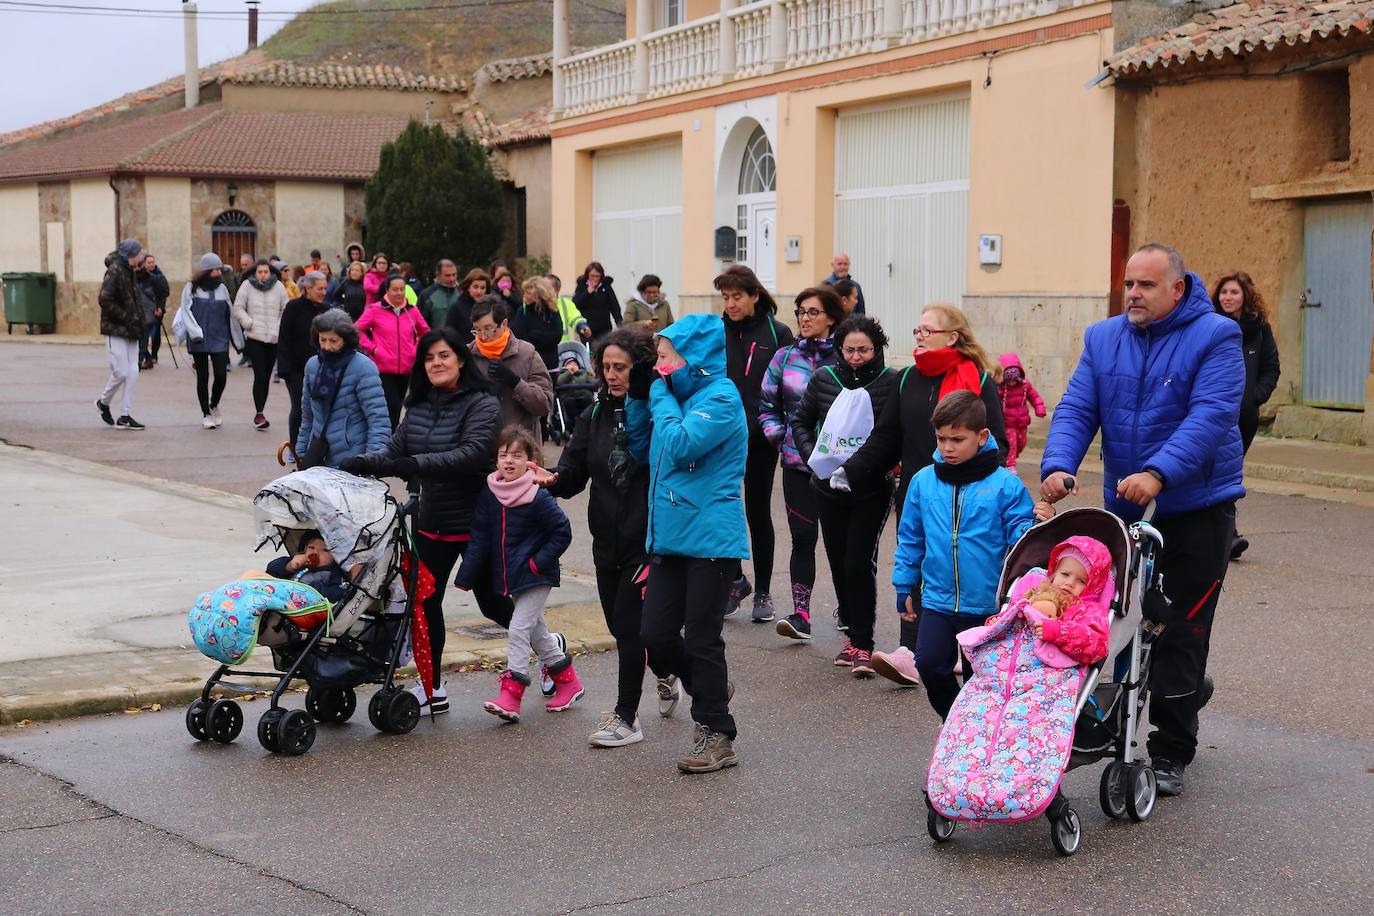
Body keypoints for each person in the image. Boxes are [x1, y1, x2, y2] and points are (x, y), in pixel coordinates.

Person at [1040, 242, 1244, 797]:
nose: (1133, 293)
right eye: (1129, 283)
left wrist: (1159, 472)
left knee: (1181, 628)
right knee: (1124, 623)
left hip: (1196, 508)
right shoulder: (1103, 338)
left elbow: (1211, 416)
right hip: (1128, 509)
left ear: (1177, 289)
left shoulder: (1217, 336)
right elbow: (1079, 406)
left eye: (1146, 285)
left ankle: (1173, 748)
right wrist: (1059, 463)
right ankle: (1130, 719)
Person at [340, 327, 506, 715]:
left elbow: (471, 454)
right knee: (424, 603)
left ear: (460, 360)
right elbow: (396, 449)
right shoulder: (418, 406)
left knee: (494, 603)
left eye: (444, 355)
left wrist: (416, 465)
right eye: (429, 358)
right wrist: (362, 463)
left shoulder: (483, 404)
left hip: (477, 520)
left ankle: (550, 653)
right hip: (432, 521)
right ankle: (431, 686)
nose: (436, 363)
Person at [842, 303, 1007, 678]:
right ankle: (911, 650)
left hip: (972, 497)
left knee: (962, 568)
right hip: (920, 492)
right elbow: (886, 437)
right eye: (916, 330)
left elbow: (997, 439)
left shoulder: (977, 378)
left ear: (952, 337)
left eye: (926, 330)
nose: (918, 336)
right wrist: (850, 470)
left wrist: (983, 483)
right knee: (916, 561)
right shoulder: (907, 379)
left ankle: (968, 647)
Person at [538, 326, 680, 747]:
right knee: (625, 630)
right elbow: (573, 472)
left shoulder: (656, 410)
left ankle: (626, 717)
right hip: (606, 540)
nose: (613, 374)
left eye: (622, 367)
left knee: (629, 630)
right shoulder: (594, 412)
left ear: (640, 369)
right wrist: (551, 479)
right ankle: (681, 672)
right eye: (606, 367)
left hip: (647, 541)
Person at [626, 313, 748, 774]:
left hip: (712, 539)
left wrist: (656, 393)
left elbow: (680, 446)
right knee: (654, 635)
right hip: (670, 538)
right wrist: (639, 399)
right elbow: (645, 450)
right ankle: (709, 686)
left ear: (691, 358)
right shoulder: (671, 398)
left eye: (663, 357)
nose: (657, 366)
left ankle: (717, 734)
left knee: (701, 638)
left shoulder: (721, 397)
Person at [893, 391, 1043, 719]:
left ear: (982, 436)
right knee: (930, 665)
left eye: (958, 439)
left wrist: (1034, 524)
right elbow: (911, 538)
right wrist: (905, 583)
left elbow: (1022, 543)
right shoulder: (922, 482)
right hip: (937, 600)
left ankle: (978, 738)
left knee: (984, 682)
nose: (948, 447)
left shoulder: (1005, 485)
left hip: (988, 605)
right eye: (941, 439)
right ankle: (956, 723)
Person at [791, 315, 897, 674]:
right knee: (838, 561)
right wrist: (812, 457)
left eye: (864, 350)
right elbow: (801, 421)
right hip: (827, 486)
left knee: (858, 561)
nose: (856, 357)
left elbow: (892, 435)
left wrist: (869, 467)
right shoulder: (824, 379)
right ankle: (852, 632)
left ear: (877, 349)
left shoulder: (890, 382)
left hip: (870, 488)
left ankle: (863, 643)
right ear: (838, 349)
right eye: (849, 350)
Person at [457, 426, 582, 722]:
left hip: (537, 575)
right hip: (511, 575)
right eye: (503, 455)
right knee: (537, 632)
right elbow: (480, 536)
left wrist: (538, 563)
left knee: (518, 629)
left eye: (516, 455)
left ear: (530, 460)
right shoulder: (492, 494)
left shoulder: (537, 495)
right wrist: (467, 575)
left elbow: (561, 532)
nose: (509, 461)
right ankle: (569, 683)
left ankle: (511, 696)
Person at [758, 286, 843, 641]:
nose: (804, 319)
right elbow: (767, 404)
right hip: (796, 464)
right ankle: (801, 614)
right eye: (800, 312)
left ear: (830, 318)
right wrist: (782, 438)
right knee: (803, 538)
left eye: (812, 312)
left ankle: (850, 609)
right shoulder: (783, 357)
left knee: (841, 542)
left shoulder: (845, 356)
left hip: (841, 468)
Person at [717, 264, 794, 623]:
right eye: (726, 297)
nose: (731, 304)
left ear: (754, 296)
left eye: (737, 297)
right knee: (722, 508)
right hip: (721, 436)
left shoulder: (778, 333)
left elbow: (790, 385)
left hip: (761, 438)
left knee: (757, 512)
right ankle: (734, 580)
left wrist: (782, 428)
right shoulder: (716, 332)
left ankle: (762, 590)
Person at [1212, 271, 1281, 561]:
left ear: (1245, 296)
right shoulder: (1208, 326)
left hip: (1243, 418)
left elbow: (1271, 367)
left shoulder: (1260, 329)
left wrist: (1253, 398)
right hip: (1211, 415)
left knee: (1227, 474)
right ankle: (1227, 536)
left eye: (1234, 292)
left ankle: (1225, 536)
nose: (1228, 297)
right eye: (1224, 292)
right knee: (1216, 475)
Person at [295, 308, 390, 468]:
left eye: (333, 341)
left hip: (353, 458)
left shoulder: (363, 367)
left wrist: (371, 461)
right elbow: (307, 415)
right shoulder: (312, 365)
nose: (326, 346)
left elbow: (378, 419)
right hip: (318, 455)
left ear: (346, 339)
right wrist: (301, 452)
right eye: (322, 339)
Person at [467, 296, 554, 443]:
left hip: (521, 448)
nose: (483, 337)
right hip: (479, 446)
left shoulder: (527, 354)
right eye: (477, 330)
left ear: (504, 324)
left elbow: (544, 405)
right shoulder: (467, 355)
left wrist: (515, 382)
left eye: (489, 329)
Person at [177, 252, 243, 430]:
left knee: (221, 375)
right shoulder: (190, 288)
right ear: (206, 271)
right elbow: (186, 311)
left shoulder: (222, 289)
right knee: (203, 377)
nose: (218, 273)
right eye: (215, 269)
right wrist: (195, 332)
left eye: (219, 269)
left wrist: (237, 338)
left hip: (219, 338)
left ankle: (214, 404)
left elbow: (230, 314)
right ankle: (206, 413)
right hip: (199, 338)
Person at [1019, 537, 1112, 664]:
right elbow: (1016, 613)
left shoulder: (1089, 611)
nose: (1069, 583)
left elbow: (1098, 646)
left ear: (1092, 587)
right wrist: (1000, 621)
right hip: (1012, 658)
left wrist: (1060, 632)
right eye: (1065, 574)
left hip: (1049, 673)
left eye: (1081, 581)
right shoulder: (1036, 593)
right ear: (1054, 573)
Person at [356, 275, 431, 427]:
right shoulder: (375, 310)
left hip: (406, 367)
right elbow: (357, 330)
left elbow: (426, 332)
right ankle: (389, 439)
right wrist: (373, 349)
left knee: (399, 405)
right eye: (395, 289)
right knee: (393, 405)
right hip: (383, 368)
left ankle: (391, 439)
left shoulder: (412, 311)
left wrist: (415, 350)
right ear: (387, 290)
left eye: (402, 289)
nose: (399, 293)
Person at [232, 258, 290, 431]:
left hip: (273, 337)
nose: (263, 275)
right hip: (255, 337)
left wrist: (279, 326)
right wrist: (248, 322)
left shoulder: (279, 287)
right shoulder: (247, 287)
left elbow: (285, 308)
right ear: (255, 273)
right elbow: (238, 308)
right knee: (260, 375)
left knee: (266, 376)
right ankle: (259, 413)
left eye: (266, 272)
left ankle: (261, 409)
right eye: (260, 272)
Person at [95, 238, 146, 430]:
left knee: (133, 372)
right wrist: (125, 317)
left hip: (132, 330)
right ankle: (103, 402)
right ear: (131, 254)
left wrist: (140, 324)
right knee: (121, 371)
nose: (141, 256)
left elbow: (135, 301)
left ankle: (125, 415)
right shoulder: (114, 271)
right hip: (115, 329)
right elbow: (105, 299)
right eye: (139, 253)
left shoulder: (130, 271)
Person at [276, 271, 332, 447]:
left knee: (322, 409)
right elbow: (283, 338)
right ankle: (296, 448)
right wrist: (283, 368)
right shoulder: (293, 307)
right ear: (308, 288)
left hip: (323, 368)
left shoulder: (328, 310)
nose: (323, 292)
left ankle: (317, 447)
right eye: (319, 288)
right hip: (296, 368)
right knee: (301, 409)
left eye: (325, 288)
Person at [265, 530, 362, 605]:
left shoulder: (335, 573)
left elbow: (336, 594)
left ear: (335, 556)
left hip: (303, 605)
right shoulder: (299, 564)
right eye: (311, 547)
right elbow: (271, 570)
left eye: (325, 550)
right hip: (282, 597)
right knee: (254, 576)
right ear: (304, 549)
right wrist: (289, 566)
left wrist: (312, 588)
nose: (315, 553)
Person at [996, 351, 1047, 470]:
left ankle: (1012, 457)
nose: (1012, 383)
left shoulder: (1025, 386)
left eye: (1014, 380)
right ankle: (1010, 464)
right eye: (1009, 380)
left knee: (1021, 444)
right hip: (1008, 423)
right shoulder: (1001, 389)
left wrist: (1039, 408)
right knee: (1011, 443)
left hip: (1022, 422)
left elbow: (1034, 397)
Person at [512, 276, 565, 370]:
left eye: (528, 293)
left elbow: (557, 335)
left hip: (550, 364)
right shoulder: (522, 312)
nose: (524, 296)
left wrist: (536, 335)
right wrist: (544, 339)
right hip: (529, 364)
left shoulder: (552, 311)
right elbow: (521, 338)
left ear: (538, 294)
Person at [572, 261, 621, 342]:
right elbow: (576, 304)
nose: (594, 279)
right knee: (589, 351)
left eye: (597, 276)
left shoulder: (606, 287)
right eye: (592, 276)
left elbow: (614, 306)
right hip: (587, 328)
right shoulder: (582, 286)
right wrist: (588, 293)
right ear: (587, 275)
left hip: (604, 328)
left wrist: (619, 324)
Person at [136, 252, 169, 370]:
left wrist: (160, 307)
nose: (151, 264)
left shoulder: (158, 277)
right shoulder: (138, 276)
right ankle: (146, 358)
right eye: (149, 262)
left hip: (153, 311)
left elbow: (163, 293)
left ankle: (151, 356)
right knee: (142, 337)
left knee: (153, 336)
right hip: (142, 311)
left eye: (152, 262)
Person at [443, 268, 491, 346]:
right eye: (475, 287)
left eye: (482, 288)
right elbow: (449, 335)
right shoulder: (456, 307)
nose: (479, 291)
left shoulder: (490, 307)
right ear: (468, 287)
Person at [547, 273, 592, 343]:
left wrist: (582, 326)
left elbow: (576, 318)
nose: (542, 290)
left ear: (557, 290)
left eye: (547, 287)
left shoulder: (566, 304)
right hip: (538, 350)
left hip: (561, 349)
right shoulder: (534, 304)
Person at [418, 259, 462, 328]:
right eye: (447, 275)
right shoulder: (426, 295)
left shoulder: (462, 293)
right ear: (438, 275)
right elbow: (421, 324)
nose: (452, 279)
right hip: (436, 337)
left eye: (454, 274)